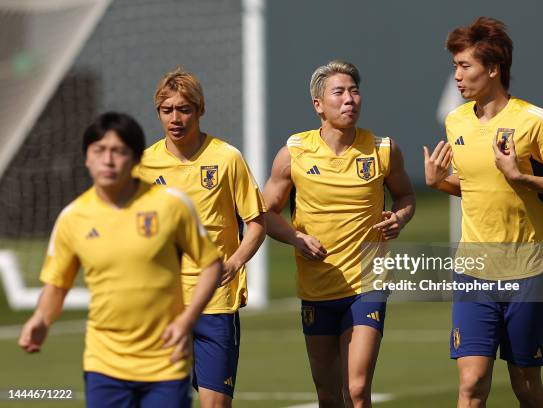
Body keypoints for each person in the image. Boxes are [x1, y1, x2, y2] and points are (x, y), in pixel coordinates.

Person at [424, 17, 543, 408]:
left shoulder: (533, 121)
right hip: (473, 268)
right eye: (455, 67)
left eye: (465, 67)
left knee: (525, 384)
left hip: (526, 270)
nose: (458, 77)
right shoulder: (456, 121)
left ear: (493, 69)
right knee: (471, 384)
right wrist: (438, 182)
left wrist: (523, 178)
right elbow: (476, 188)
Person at [18, 112, 223, 408]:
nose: (108, 161)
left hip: (165, 362)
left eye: (119, 151)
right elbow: (57, 284)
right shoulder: (72, 218)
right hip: (104, 365)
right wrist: (41, 318)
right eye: (99, 151)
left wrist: (185, 322)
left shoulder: (171, 205)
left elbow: (211, 265)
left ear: (137, 158)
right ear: (86, 158)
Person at [263, 60, 416, 408]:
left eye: (354, 91)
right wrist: (295, 238)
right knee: (328, 395)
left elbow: (406, 196)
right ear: (318, 105)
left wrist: (401, 218)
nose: (350, 99)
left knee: (357, 391)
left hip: (367, 284)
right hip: (317, 287)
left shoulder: (383, 150)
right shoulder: (293, 154)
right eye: (339, 92)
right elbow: (265, 213)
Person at [136, 68, 266, 407]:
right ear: (158, 113)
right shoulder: (144, 165)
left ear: (200, 109)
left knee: (215, 404)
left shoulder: (226, 158)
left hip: (215, 302)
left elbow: (257, 222)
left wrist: (236, 261)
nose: (175, 118)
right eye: (168, 110)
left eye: (184, 109)